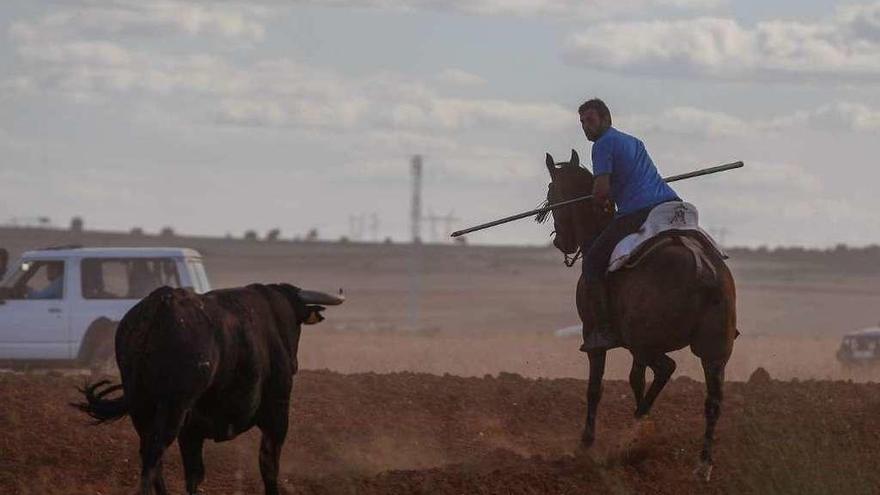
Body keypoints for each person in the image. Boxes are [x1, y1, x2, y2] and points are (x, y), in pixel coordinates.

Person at [579, 98, 681, 350]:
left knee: (592, 262)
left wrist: (599, 202)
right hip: (672, 206)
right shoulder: (634, 141)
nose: (585, 127)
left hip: (639, 212)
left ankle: (603, 330)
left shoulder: (602, 145)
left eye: (589, 120)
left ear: (606, 119)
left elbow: (601, 191)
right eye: (582, 122)